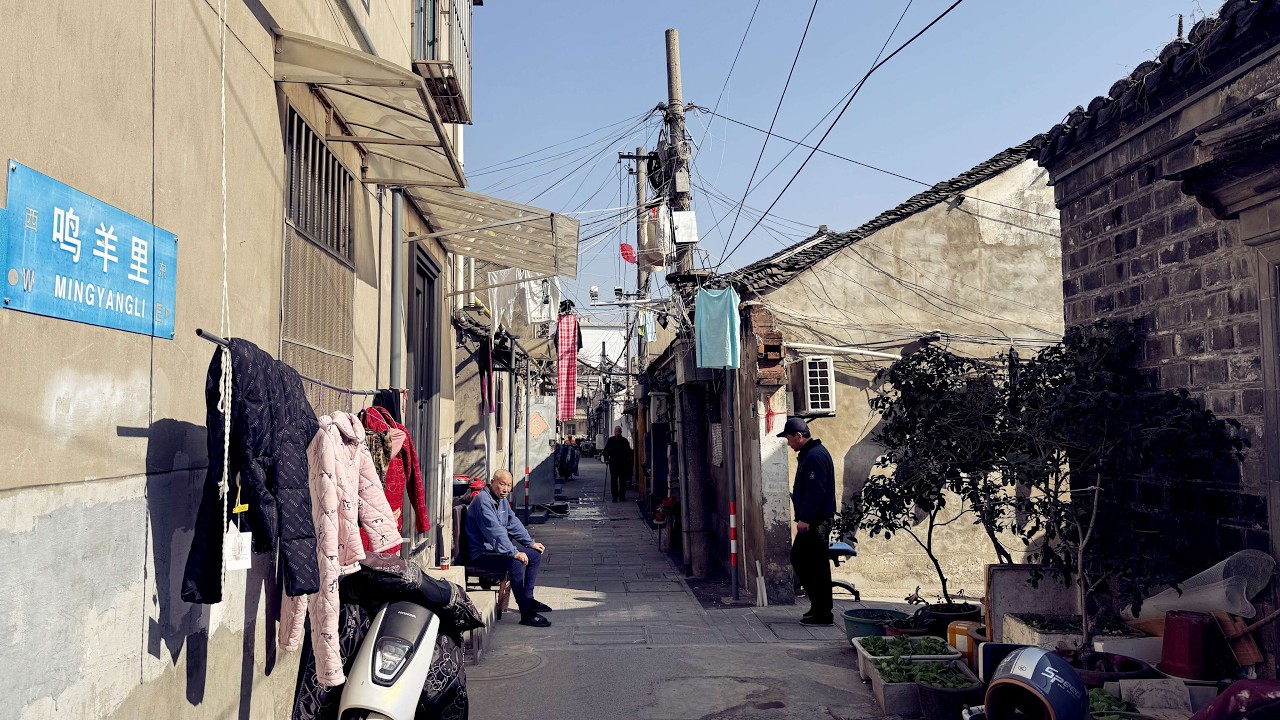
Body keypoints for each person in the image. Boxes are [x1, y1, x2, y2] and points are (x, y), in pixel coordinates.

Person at [464, 469, 552, 627]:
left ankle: (528, 599)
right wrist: (514, 553)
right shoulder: (483, 501)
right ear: (492, 483)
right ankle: (526, 613)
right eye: (502, 484)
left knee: (534, 555)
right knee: (515, 563)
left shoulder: (501, 500)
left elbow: (513, 522)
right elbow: (495, 531)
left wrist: (529, 543)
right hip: (481, 553)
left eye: (509, 485)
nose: (505, 489)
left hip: (495, 550)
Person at [778, 417, 836, 626]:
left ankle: (822, 611)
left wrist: (805, 519)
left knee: (805, 561)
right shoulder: (811, 454)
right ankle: (819, 609)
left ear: (799, 436)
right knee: (812, 563)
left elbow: (815, 491)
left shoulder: (814, 456)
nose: (788, 443)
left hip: (815, 521)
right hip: (815, 519)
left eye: (789, 438)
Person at [602, 426, 633, 502]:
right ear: (614, 432)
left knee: (622, 481)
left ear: (621, 432)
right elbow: (606, 450)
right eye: (616, 432)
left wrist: (629, 460)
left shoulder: (624, 441)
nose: (617, 433)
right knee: (614, 480)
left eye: (618, 431)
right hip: (613, 464)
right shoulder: (611, 440)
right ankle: (614, 496)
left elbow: (628, 451)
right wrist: (606, 459)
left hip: (623, 464)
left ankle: (622, 496)